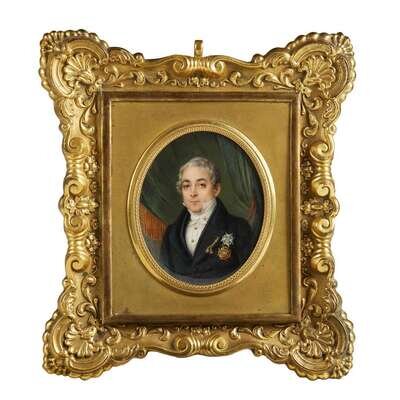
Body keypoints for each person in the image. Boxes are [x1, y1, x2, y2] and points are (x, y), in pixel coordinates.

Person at [160, 156, 253, 283]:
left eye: (201, 185)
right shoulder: (171, 233)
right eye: (186, 186)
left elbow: (248, 279)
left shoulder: (238, 227)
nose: (193, 193)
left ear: (216, 189)